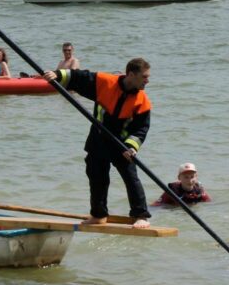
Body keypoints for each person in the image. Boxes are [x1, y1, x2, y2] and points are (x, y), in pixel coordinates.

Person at [43, 58, 153, 228]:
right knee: (96, 177)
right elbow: (81, 77)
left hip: (121, 145)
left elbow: (141, 129)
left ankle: (141, 216)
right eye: (144, 77)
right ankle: (99, 214)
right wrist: (57, 74)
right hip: (98, 138)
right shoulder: (105, 82)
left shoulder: (142, 100)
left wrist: (131, 146)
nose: (147, 80)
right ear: (131, 74)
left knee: (131, 178)